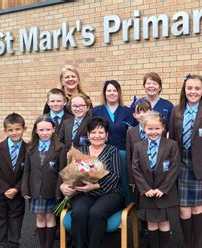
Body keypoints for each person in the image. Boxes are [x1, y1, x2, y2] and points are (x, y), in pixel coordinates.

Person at [169, 74, 202, 248]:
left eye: (197, 88)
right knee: (184, 209)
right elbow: (171, 142)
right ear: (184, 90)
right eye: (189, 88)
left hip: (201, 167)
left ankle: (196, 245)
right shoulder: (176, 111)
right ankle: (188, 244)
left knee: (197, 207)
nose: (193, 91)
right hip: (181, 165)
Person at [60, 117, 124, 248]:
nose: (97, 136)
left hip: (109, 192)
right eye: (93, 132)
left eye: (101, 132)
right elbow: (71, 175)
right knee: (79, 212)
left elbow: (115, 176)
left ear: (107, 135)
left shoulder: (113, 150)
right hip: (83, 193)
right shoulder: (80, 151)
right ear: (88, 135)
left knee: (96, 213)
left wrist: (95, 186)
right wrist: (65, 185)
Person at [132, 111, 180, 248]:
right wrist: (145, 189)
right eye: (150, 129)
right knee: (152, 224)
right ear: (144, 128)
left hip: (165, 192)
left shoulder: (172, 145)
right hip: (147, 193)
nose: (154, 132)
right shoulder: (138, 146)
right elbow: (135, 169)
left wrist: (163, 189)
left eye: (157, 128)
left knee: (164, 223)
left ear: (163, 128)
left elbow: (174, 169)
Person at [22, 115, 67, 248]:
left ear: (53, 129)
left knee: (50, 217)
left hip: (51, 189)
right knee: (40, 217)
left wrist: (58, 191)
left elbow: (62, 172)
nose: (45, 133)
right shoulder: (30, 147)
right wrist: (25, 188)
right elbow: (26, 171)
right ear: (36, 130)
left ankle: (48, 245)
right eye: (41, 130)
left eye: (48, 129)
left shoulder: (60, 148)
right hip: (35, 189)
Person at [0, 113, 27, 248]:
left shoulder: (28, 149)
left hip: (17, 193)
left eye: (17, 129)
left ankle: (13, 243)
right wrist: (5, 189)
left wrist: (16, 188)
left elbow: (27, 172)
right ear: (5, 130)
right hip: (0, 192)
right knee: (0, 219)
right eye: (10, 130)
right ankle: (3, 244)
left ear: (24, 129)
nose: (14, 132)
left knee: (16, 219)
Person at [92, 80, 135, 150]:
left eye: (115, 91)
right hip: (101, 154)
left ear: (119, 93)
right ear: (104, 93)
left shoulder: (128, 112)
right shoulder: (96, 111)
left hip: (122, 153)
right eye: (109, 91)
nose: (112, 93)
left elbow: (132, 136)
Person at [125, 98, 152, 187]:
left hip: (154, 172)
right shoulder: (131, 132)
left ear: (151, 112)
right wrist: (131, 179)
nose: (142, 115)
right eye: (138, 112)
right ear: (134, 115)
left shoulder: (158, 131)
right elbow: (129, 156)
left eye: (145, 112)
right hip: (138, 174)